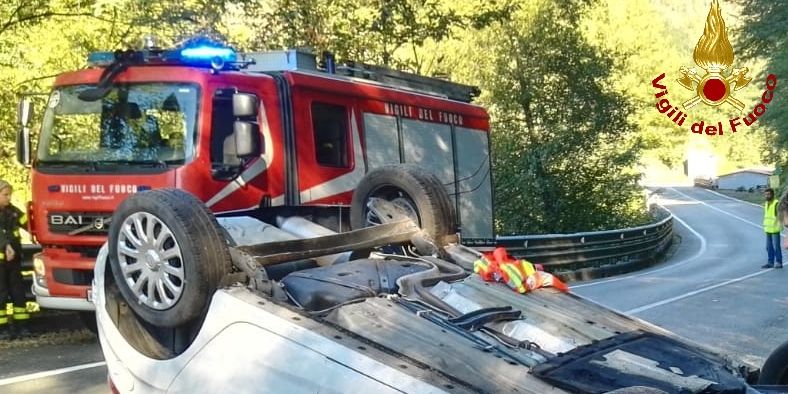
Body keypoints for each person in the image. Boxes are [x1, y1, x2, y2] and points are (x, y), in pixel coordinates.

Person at [0, 179, 31, 339]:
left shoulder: (12, 211)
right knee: (1, 294)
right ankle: (2, 329)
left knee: (18, 293)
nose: (8, 198)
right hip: (1, 262)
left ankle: (22, 326)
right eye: (5, 195)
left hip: (14, 261)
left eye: (9, 194)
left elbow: (27, 223)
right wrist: (6, 246)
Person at [762, 188, 783, 269]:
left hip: (775, 229)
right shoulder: (766, 203)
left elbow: (780, 215)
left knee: (776, 247)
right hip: (768, 229)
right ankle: (770, 262)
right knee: (768, 247)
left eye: (768, 194)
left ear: (772, 194)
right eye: (766, 194)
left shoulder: (776, 203)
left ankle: (779, 262)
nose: (767, 196)